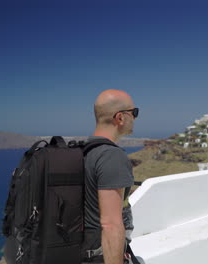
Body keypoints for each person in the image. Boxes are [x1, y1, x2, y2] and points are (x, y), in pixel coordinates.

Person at [82, 89, 139, 264]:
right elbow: (110, 224)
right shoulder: (111, 156)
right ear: (120, 118)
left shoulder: (83, 150)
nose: (135, 117)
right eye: (134, 112)